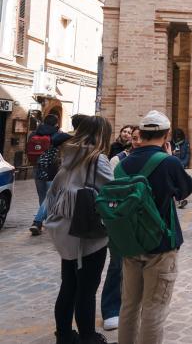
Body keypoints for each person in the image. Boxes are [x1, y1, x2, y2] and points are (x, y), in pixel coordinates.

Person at [117, 111, 192, 344]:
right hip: (161, 241)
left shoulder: (123, 162)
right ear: (166, 134)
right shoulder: (168, 162)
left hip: (131, 241)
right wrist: (170, 158)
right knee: (154, 307)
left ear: (141, 134)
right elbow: (185, 190)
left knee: (129, 304)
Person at [44, 116, 113, 344]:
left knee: (69, 285)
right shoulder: (97, 159)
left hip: (66, 231)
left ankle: (63, 335)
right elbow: (112, 192)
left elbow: (53, 192)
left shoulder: (68, 155)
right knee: (87, 289)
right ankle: (88, 337)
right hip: (88, 232)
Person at [100, 126, 142, 332]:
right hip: (120, 220)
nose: (136, 141)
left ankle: (134, 303)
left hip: (142, 222)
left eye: (140, 137)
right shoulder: (117, 160)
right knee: (117, 265)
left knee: (140, 266)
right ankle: (110, 309)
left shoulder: (152, 160)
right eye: (133, 137)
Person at [28, 114, 73, 236]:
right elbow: (73, 136)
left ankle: (45, 221)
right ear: (56, 124)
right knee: (50, 197)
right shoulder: (57, 135)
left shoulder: (33, 134)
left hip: (37, 169)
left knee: (43, 197)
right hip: (51, 170)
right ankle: (37, 222)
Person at [170, 128, 190, 208]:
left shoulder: (185, 143)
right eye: (176, 137)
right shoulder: (171, 144)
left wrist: (183, 164)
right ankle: (179, 200)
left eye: (179, 137)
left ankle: (180, 200)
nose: (178, 138)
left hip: (181, 166)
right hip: (172, 165)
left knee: (180, 182)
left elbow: (187, 155)